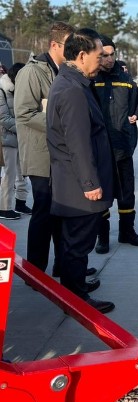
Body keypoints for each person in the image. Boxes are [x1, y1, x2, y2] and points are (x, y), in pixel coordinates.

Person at [46, 28, 115, 314]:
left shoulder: (70, 83)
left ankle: (74, 290)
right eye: (99, 56)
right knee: (77, 246)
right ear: (83, 55)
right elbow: (78, 143)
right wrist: (90, 183)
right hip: (78, 188)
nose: (102, 61)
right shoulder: (73, 90)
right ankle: (76, 302)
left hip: (71, 184)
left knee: (73, 244)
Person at [14, 21, 77, 277]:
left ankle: (65, 266)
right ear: (54, 44)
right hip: (41, 156)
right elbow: (24, 113)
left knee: (62, 213)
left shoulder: (67, 71)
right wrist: (63, 123)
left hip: (62, 154)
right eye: (70, 45)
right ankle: (36, 273)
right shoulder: (32, 72)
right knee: (44, 212)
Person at [93, 35, 138, 254]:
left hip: (123, 148)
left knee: (127, 194)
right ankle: (103, 237)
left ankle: (127, 232)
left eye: (111, 55)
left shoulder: (126, 80)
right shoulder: (91, 80)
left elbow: (137, 104)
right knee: (102, 196)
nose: (108, 59)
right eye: (104, 55)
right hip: (101, 151)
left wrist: (134, 119)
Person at [0, 62, 31, 220]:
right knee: (9, 174)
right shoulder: (2, 90)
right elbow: (3, 118)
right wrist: (24, 126)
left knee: (22, 174)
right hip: (7, 139)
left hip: (21, 138)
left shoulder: (21, 89)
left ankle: (21, 202)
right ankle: (4, 208)